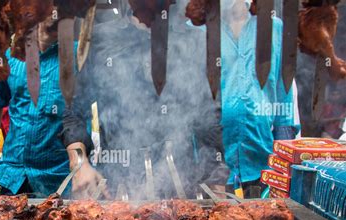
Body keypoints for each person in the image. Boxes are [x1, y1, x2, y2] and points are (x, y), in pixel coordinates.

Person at [62, 0, 227, 200]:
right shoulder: (102, 40)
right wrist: (79, 164)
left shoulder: (194, 42)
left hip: (177, 185)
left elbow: (208, 122)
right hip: (117, 183)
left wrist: (216, 183)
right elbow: (74, 111)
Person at [0, 14, 71, 197]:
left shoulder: (76, 57)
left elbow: (104, 107)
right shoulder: (9, 59)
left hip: (59, 179)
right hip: (14, 178)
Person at [219, 0, 296, 198]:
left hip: (262, 161)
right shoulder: (200, 31)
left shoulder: (275, 30)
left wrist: (283, 165)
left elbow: (284, 98)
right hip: (213, 166)